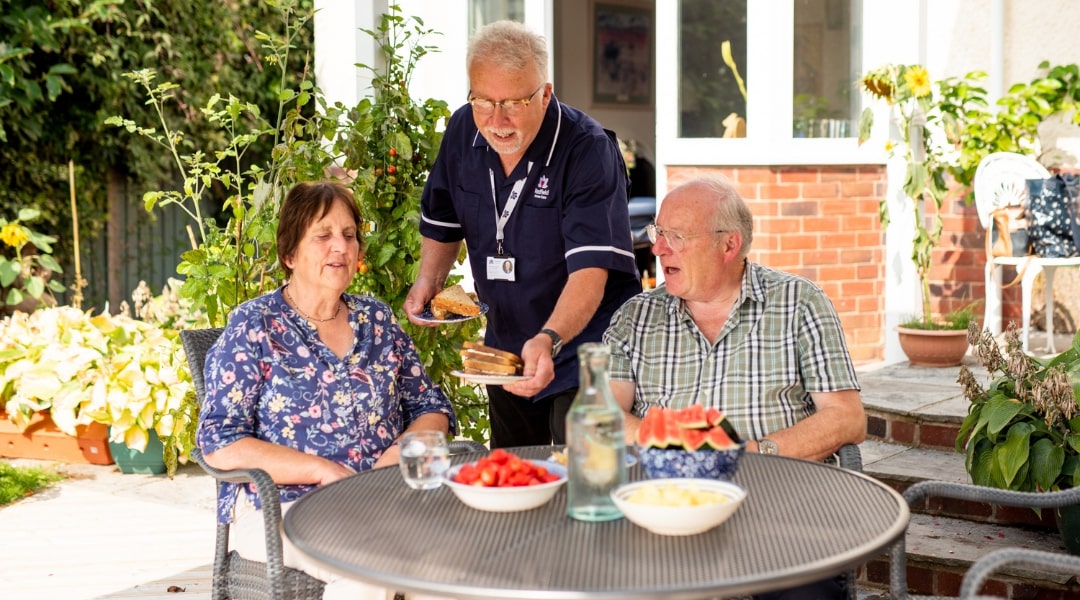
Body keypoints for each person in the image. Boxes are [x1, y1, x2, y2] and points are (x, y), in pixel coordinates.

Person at [604, 176, 865, 600]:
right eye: (658, 232)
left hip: (779, 515)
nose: (657, 248)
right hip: (665, 512)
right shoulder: (636, 317)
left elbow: (847, 418)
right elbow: (604, 416)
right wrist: (682, 447)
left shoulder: (799, 303)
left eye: (676, 236)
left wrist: (749, 455)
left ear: (729, 246)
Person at [197, 181, 456, 600]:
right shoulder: (255, 324)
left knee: (451, 563)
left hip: (382, 498)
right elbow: (219, 441)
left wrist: (400, 452)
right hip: (282, 508)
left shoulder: (377, 319)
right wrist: (320, 470)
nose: (341, 246)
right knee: (364, 566)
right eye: (323, 236)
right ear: (289, 254)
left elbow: (430, 406)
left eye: (349, 235)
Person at [405, 20, 641, 448]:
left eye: (513, 102)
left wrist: (549, 339)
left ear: (545, 94)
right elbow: (441, 219)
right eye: (483, 101)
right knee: (515, 472)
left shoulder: (587, 150)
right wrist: (429, 281)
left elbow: (591, 272)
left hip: (584, 347)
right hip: (508, 343)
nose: (497, 120)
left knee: (579, 474)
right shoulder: (463, 130)